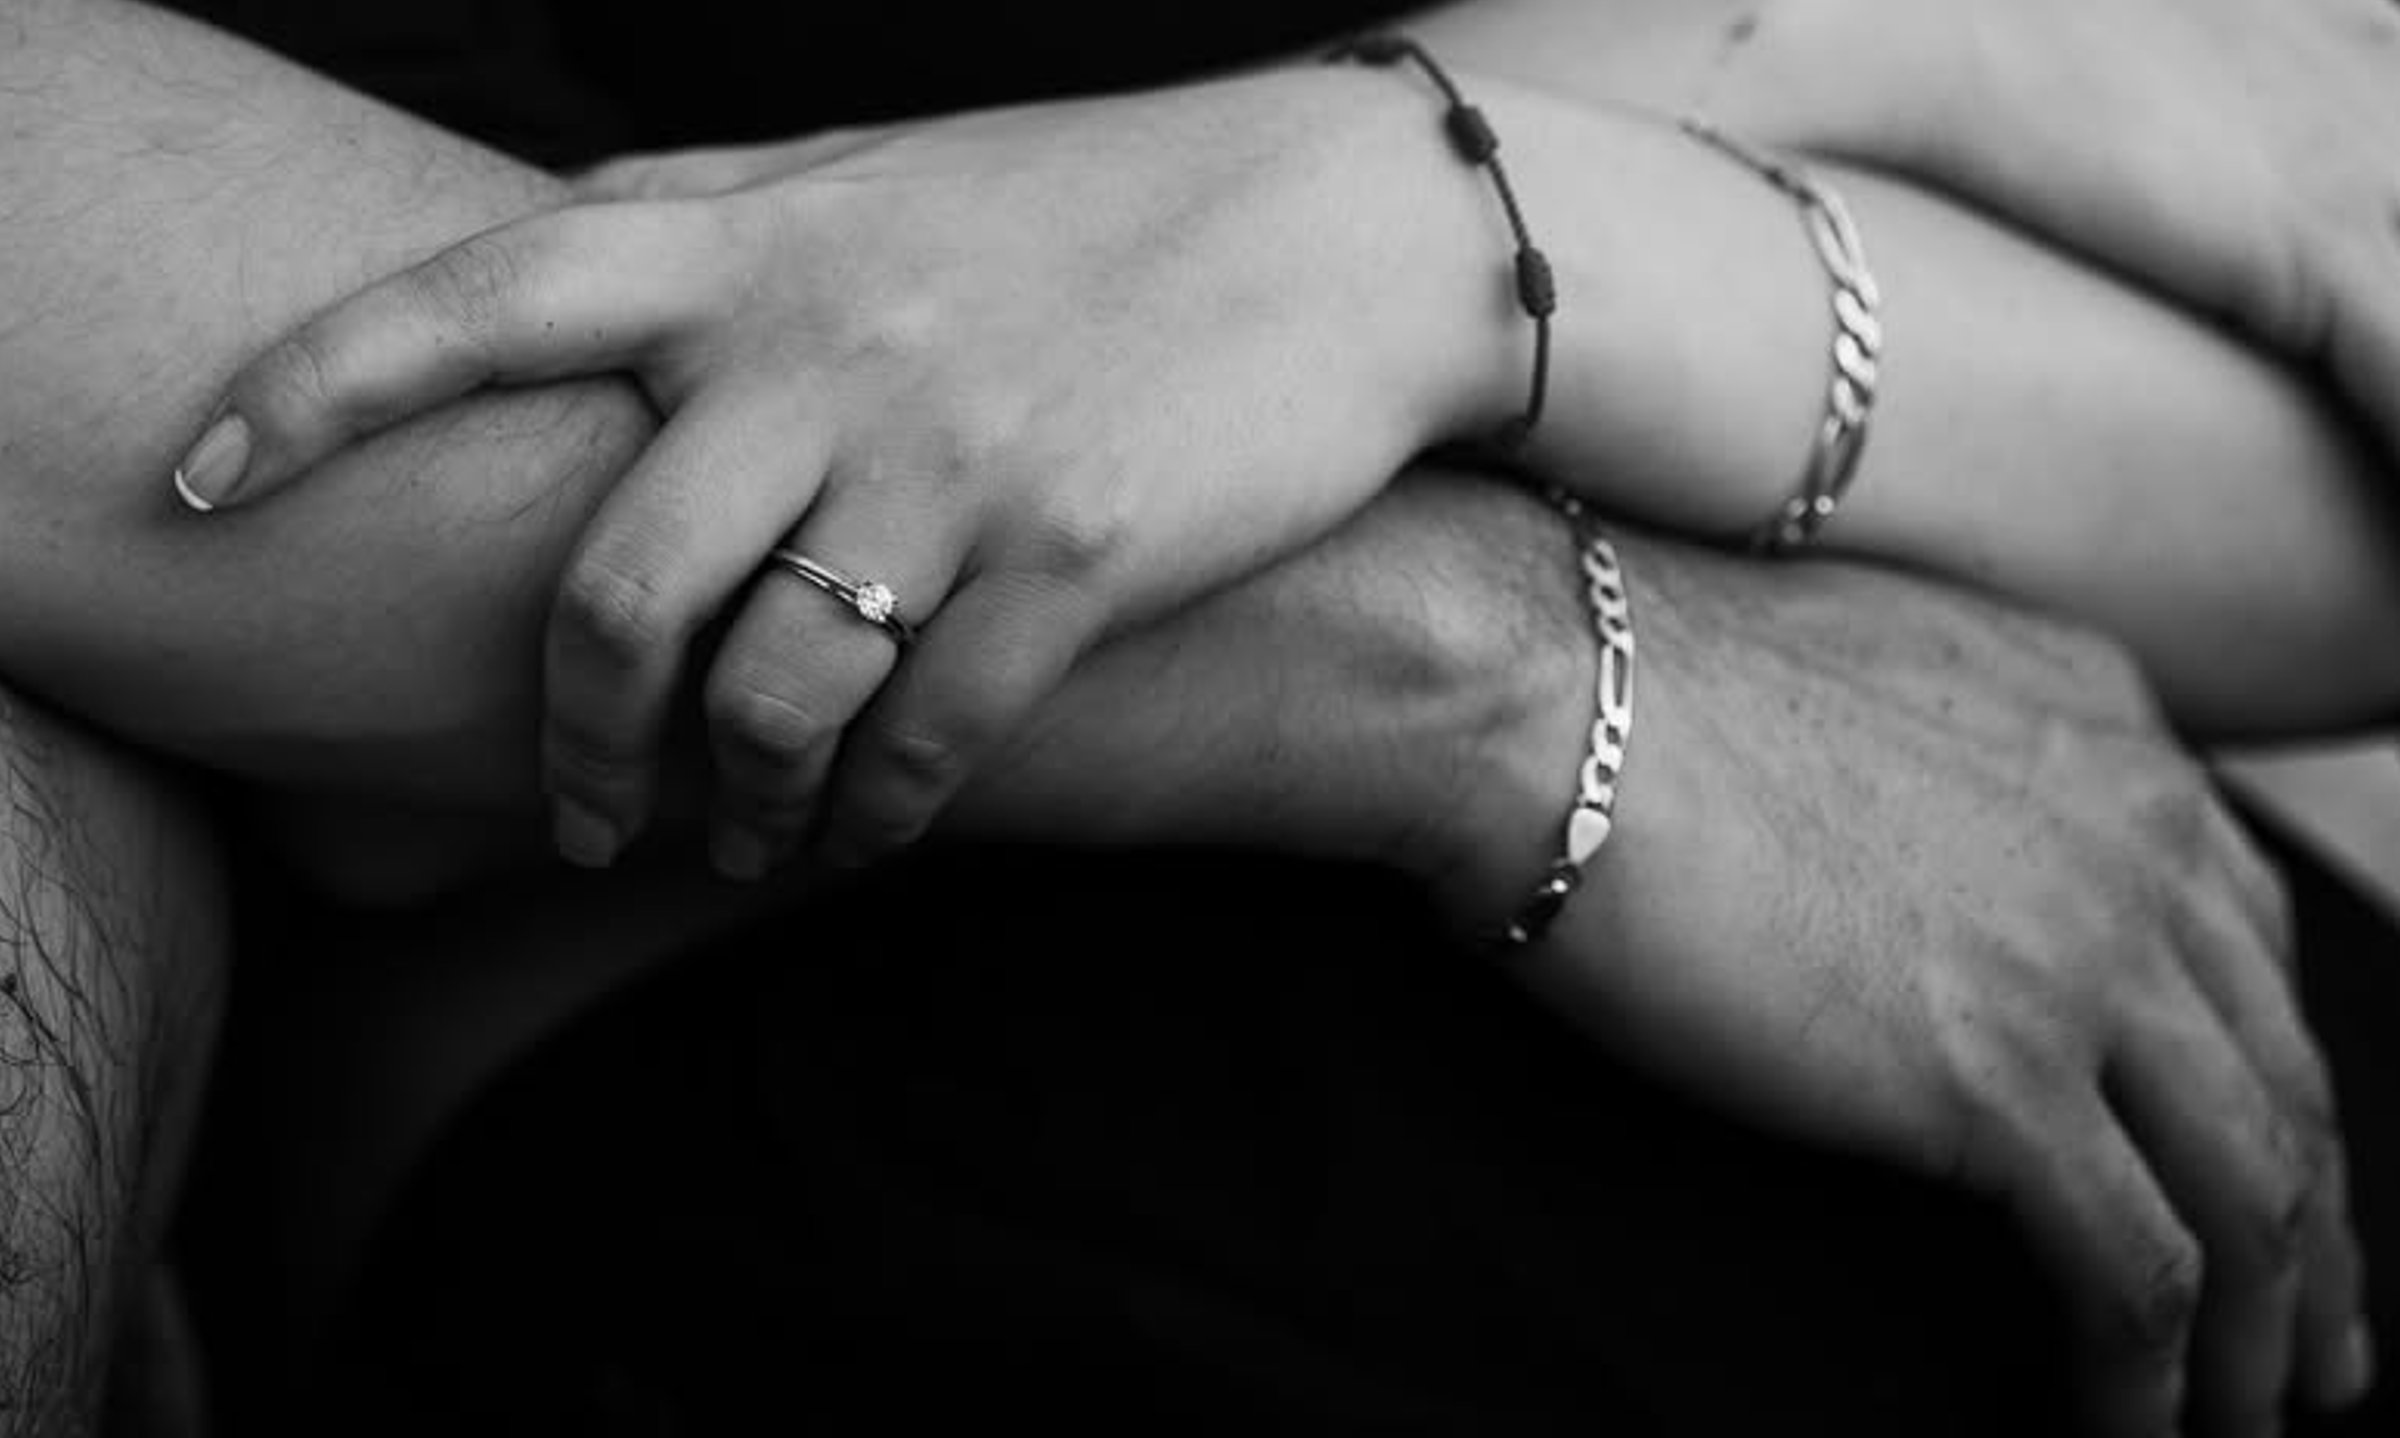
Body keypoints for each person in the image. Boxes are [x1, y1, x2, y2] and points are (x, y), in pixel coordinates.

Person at [0, 0, 2377, 1433]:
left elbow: (2336, 469)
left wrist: (1421, 216)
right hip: (877, 1071)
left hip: (2065, 946)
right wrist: (1488, 628)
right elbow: (318, 463)